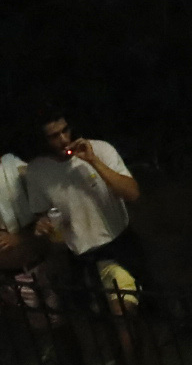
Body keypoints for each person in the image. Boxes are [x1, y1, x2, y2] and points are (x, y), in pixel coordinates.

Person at [1, 117, 148, 313]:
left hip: (117, 246)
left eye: (65, 130)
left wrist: (93, 161)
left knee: (123, 311)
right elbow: (42, 214)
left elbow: (132, 193)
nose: (63, 139)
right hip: (80, 257)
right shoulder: (38, 170)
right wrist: (43, 224)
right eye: (54, 136)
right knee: (96, 317)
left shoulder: (100, 149)